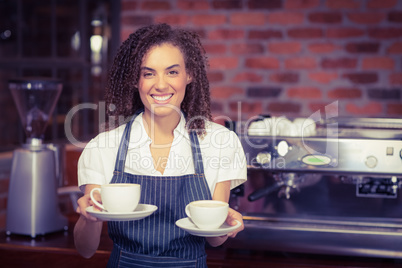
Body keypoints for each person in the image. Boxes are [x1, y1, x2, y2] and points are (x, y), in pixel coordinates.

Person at [73, 23, 247, 267]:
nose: (161, 85)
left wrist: (225, 224)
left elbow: (216, 240)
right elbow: (86, 250)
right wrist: (88, 219)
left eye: (172, 72)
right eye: (148, 73)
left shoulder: (220, 142)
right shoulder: (104, 146)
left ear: (190, 74)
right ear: (136, 81)